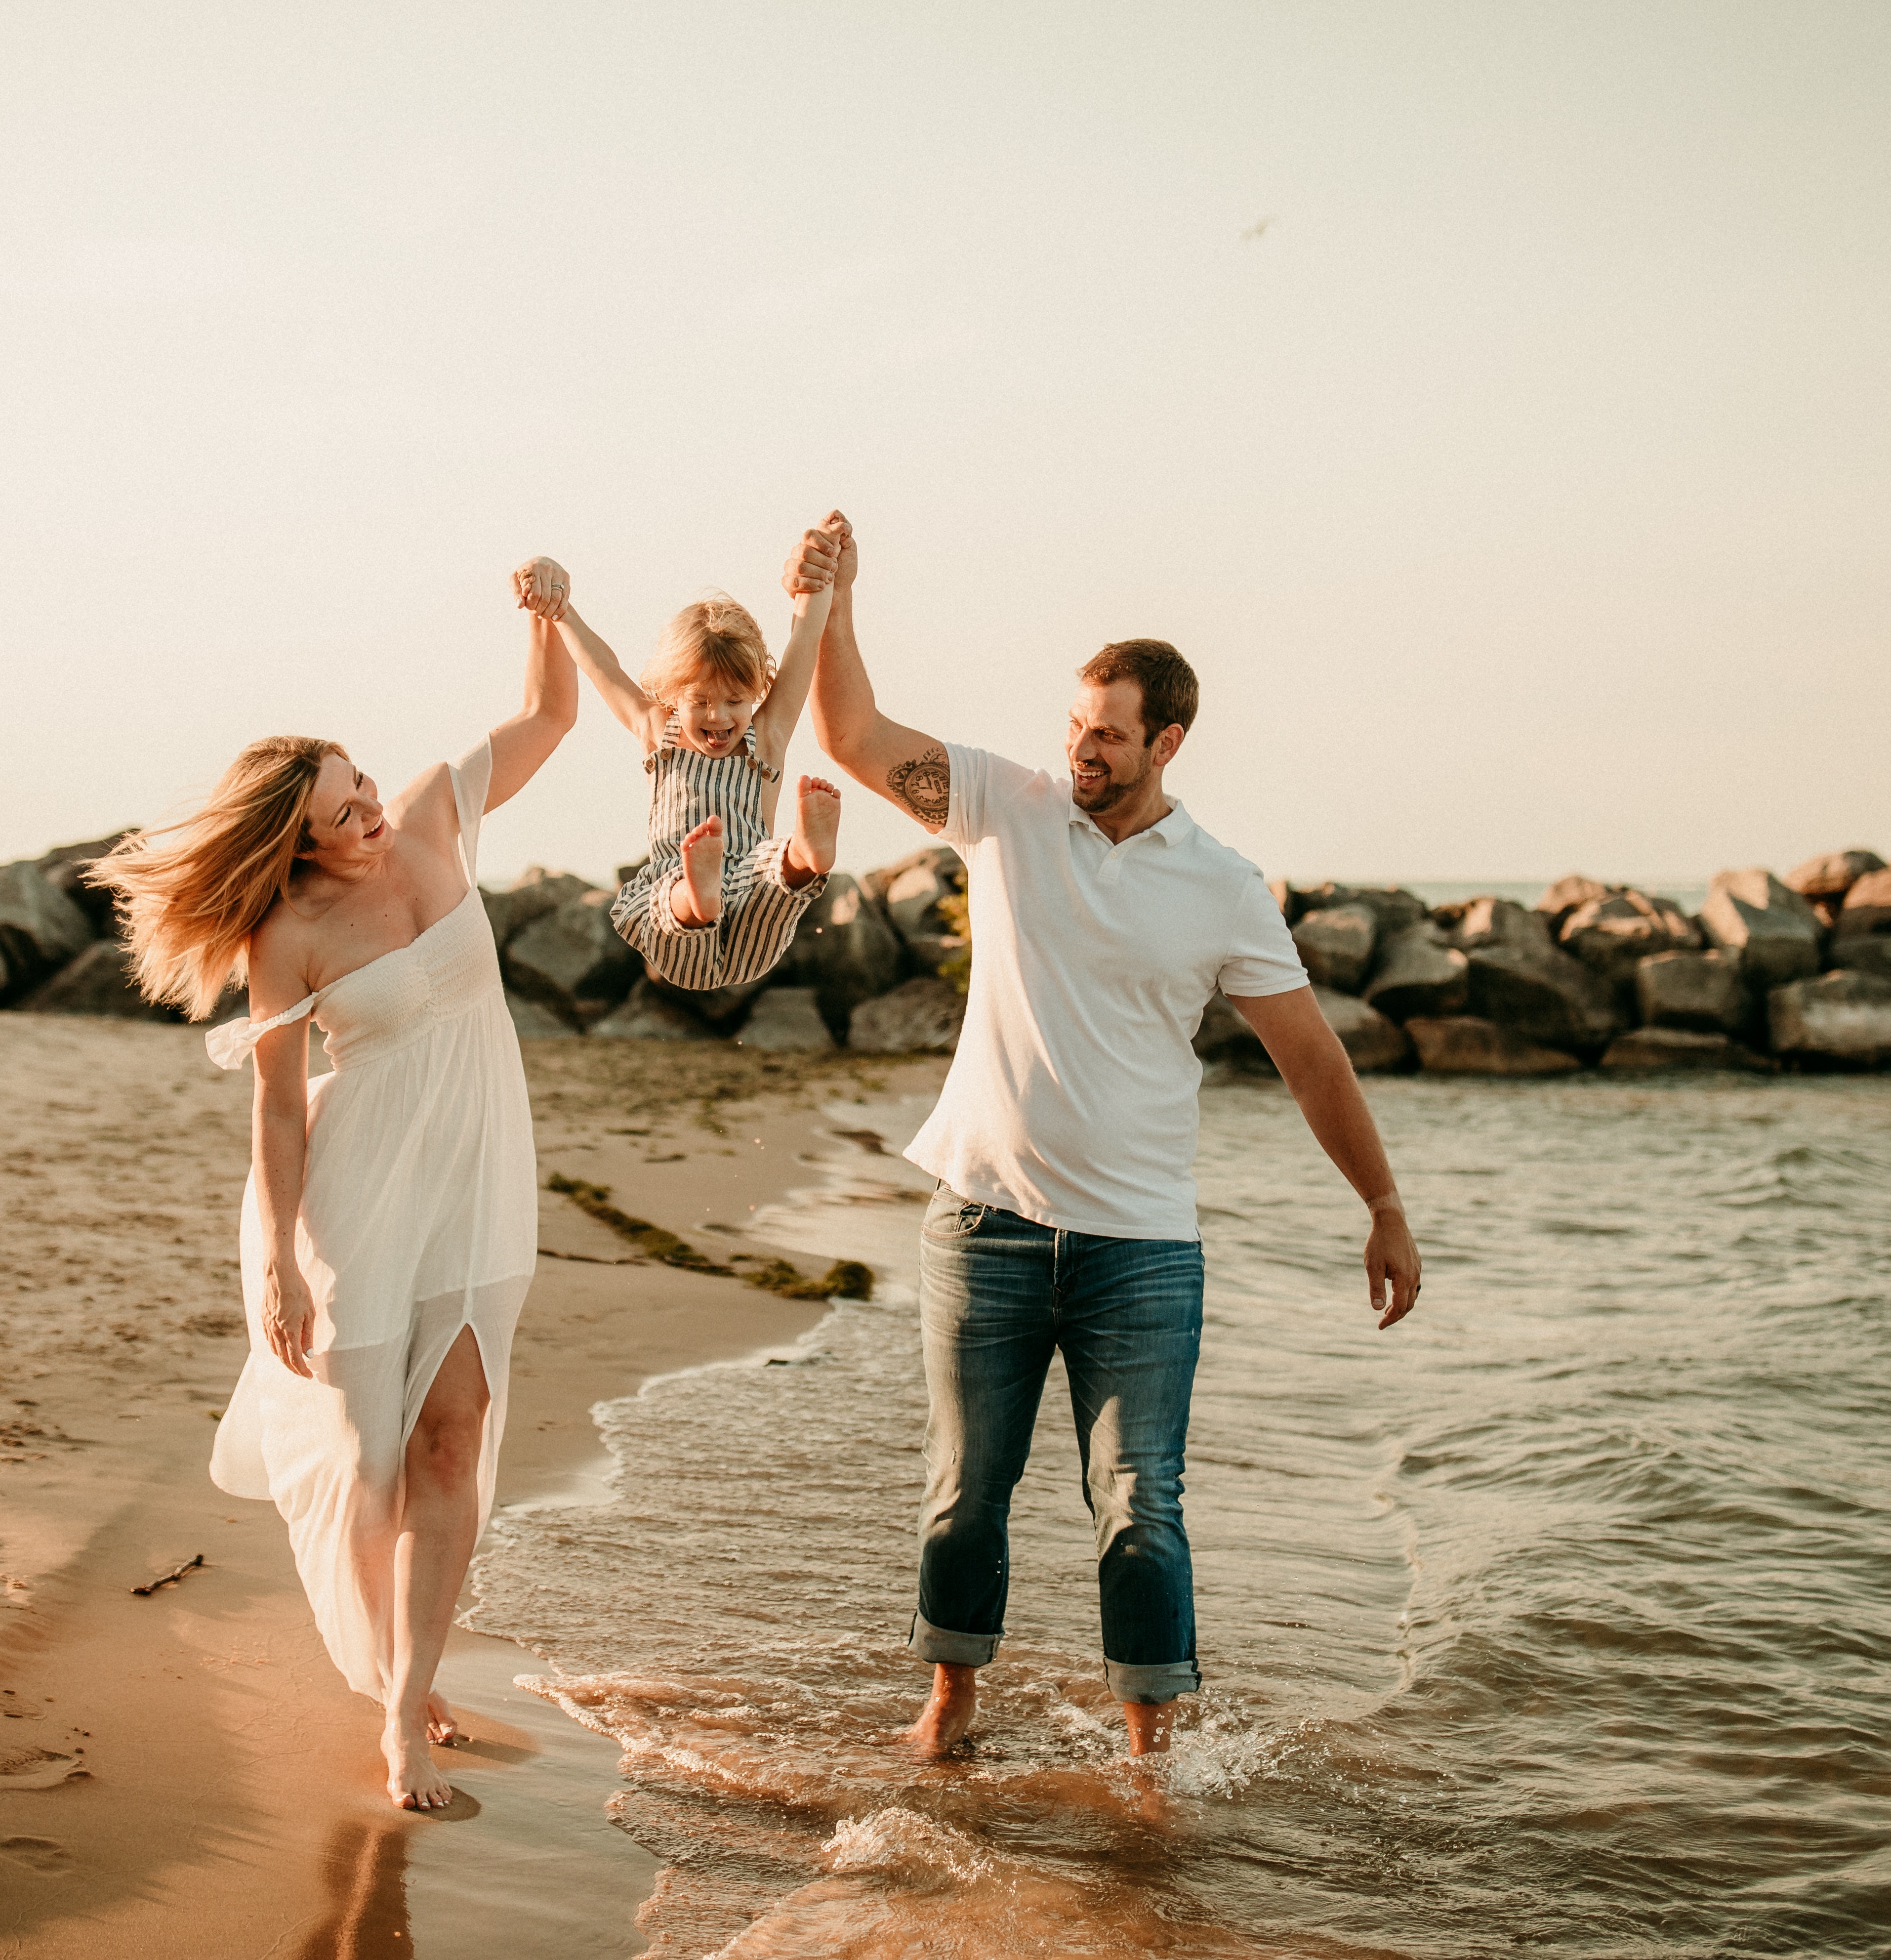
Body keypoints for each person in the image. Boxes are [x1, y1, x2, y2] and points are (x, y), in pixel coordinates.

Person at [795, 513, 1425, 1760]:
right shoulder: (1007, 806)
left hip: (1142, 1246)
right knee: (964, 1494)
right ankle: (949, 1701)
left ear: (1165, 741)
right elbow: (851, 736)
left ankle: (1149, 1753)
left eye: (1107, 733)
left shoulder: (1223, 885)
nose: (1080, 748)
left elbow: (1311, 1056)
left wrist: (1384, 1206)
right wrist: (839, 598)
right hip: (985, 1220)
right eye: (1074, 724)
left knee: (1140, 1505)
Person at [84, 597, 576, 1810]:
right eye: (337, 813)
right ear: (293, 844)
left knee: (449, 1439)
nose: (366, 815)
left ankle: (408, 1706)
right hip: (356, 1197)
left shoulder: (436, 813)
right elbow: (282, 1109)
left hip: (476, 1177)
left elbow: (549, 714)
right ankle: (382, 1663)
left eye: (359, 787)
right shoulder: (289, 934)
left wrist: (549, 617)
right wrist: (278, 1266)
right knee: (367, 1466)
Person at [511, 539, 843, 993]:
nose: (719, 716)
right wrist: (562, 613)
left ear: (757, 692)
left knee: (768, 880)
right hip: (687, 915)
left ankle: (802, 856)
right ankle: (704, 892)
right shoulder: (657, 730)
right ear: (671, 695)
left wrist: (821, 570)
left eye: (734, 701)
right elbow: (601, 665)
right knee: (673, 903)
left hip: (751, 909)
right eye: (700, 701)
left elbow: (805, 641)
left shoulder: (765, 738)